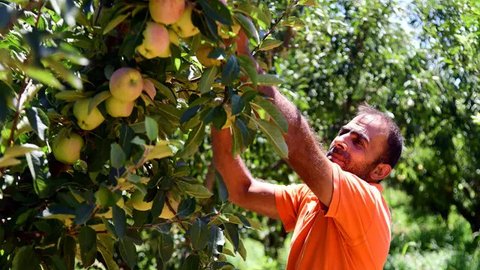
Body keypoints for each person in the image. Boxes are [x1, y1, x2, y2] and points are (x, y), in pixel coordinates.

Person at [211, 32, 404, 269]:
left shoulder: (369, 204)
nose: (341, 140)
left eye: (358, 142)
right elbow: (241, 189)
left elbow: (301, 148)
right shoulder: (310, 196)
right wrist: (220, 110)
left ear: (380, 170)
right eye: (343, 131)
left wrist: (245, 59)